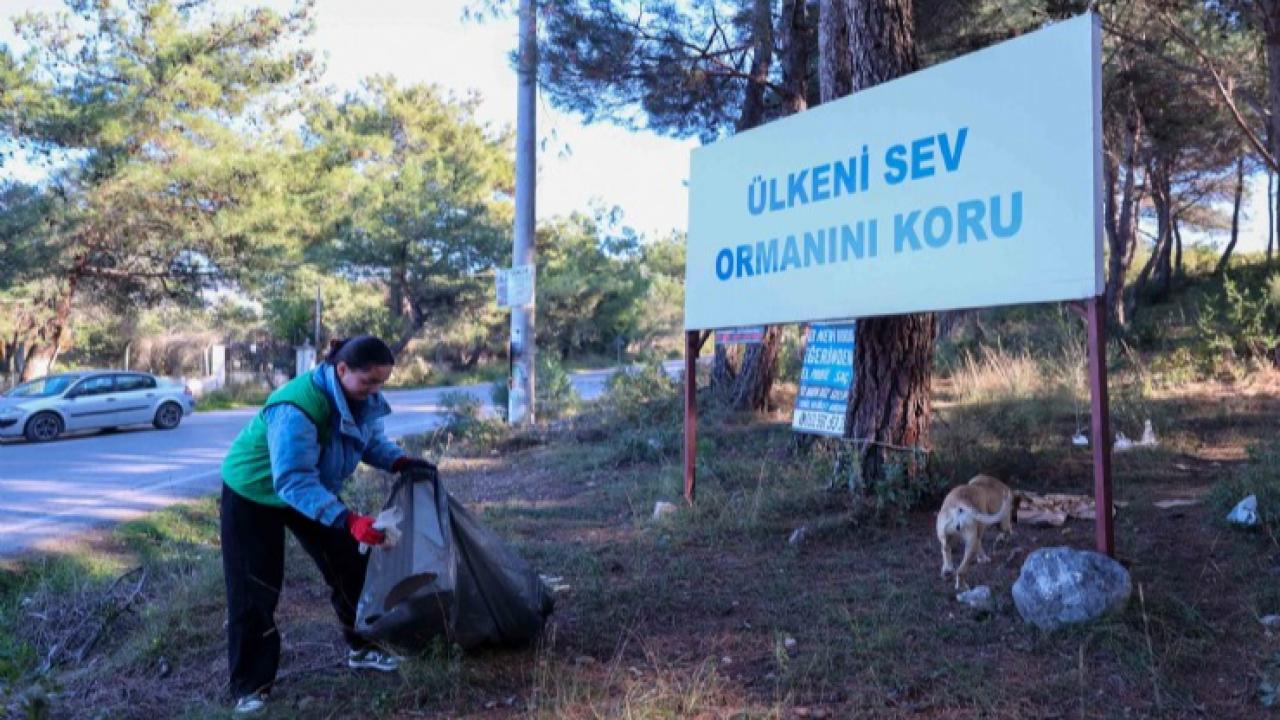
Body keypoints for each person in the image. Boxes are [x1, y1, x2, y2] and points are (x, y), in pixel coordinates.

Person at [218, 335, 437, 715]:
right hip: (254, 492)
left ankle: (363, 647)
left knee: (351, 564)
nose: (375, 389)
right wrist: (348, 519)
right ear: (342, 369)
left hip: (310, 486)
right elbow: (291, 480)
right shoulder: (296, 408)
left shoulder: (362, 399)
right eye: (368, 381)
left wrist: (400, 461)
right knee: (255, 590)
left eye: (382, 382)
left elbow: (370, 443)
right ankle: (250, 687)